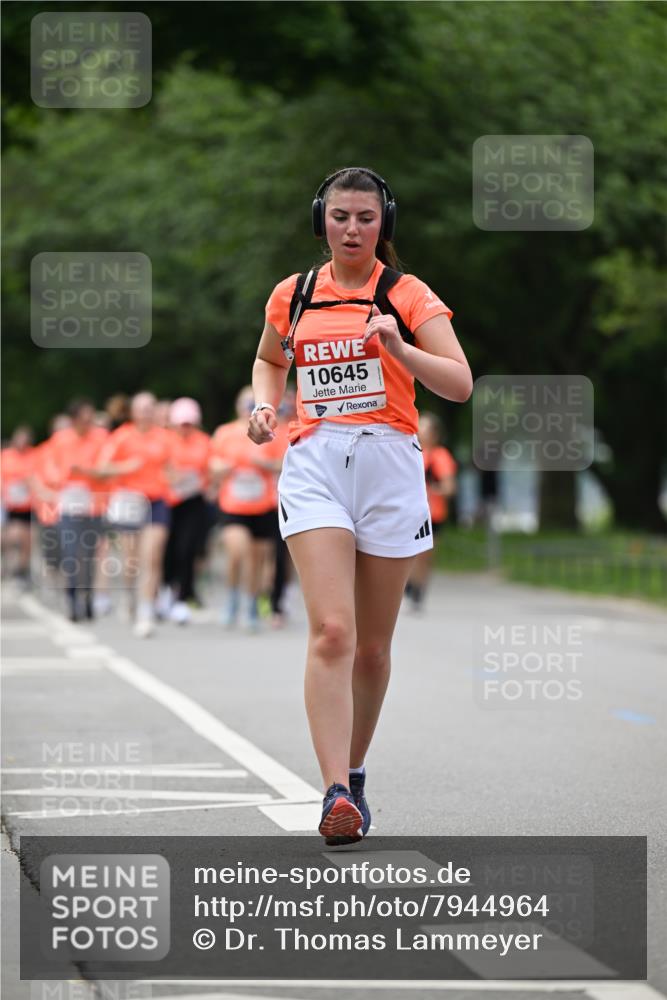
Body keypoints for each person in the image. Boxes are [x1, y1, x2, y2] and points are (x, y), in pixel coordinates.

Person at [248, 166, 473, 844]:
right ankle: (334, 794)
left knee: (372, 650)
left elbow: (459, 384)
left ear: (384, 224)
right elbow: (270, 360)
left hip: (390, 465)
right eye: (340, 216)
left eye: (365, 218)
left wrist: (400, 347)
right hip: (316, 462)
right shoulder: (294, 293)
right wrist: (265, 405)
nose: (351, 229)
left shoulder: (406, 293)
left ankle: (354, 768)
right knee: (333, 633)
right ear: (321, 219)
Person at [96, 391, 173, 637]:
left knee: (152, 556)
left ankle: (146, 611)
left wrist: (175, 479)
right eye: (142, 408)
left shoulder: (164, 437)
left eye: (150, 408)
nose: (146, 413)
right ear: (132, 412)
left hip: (156, 501)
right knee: (131, 560)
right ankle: (129, 596)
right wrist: (125, 467)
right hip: (129, 501)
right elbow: (102, 468)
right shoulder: (121, 437)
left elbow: (172, 469)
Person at [210, 386, 285, 631]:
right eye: (246, 404)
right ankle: (232, 599)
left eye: (254, 405)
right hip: (233, 505)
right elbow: (212, 464)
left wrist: (264, 464)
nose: (249, 409)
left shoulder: (272, 433)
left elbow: (284, 463)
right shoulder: (225, 433)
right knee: (237, 552)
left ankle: (251, 605)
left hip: (263, 506)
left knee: (256, 561)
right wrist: (223, 468)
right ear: (237, 406)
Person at [47, 398, 109, 620]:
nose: (88, 422)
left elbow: (106, 467)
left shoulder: (101, 437)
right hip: (69, 502)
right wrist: (62, 476)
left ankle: (88, 595)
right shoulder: (61, 439)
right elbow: (50, 467)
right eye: (84, 418)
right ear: (74, 419)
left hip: (94, 504)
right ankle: (72, 597)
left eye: (90, 417)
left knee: (89, 555)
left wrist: (85, 471)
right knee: (71, 552)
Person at [162, 397, 211, 625]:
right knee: (167, 548)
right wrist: (172, 476)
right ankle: (165, 589)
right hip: (168, 502)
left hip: (193, 501)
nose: (185, 428)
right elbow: (159, 467)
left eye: (189, 423)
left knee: (188, 549)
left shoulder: (203, 441)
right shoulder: (165, 440)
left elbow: (210, 468)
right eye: (182, 424)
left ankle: (182, 595)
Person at [405, 411, 457, 611]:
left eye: (425, 427)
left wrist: (433, 489)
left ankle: (417, 591)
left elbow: (449, 487)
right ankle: (409, 587)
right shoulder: (411, 450)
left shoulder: (440, 456)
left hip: (432, 514)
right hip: (409, 511)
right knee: (408, 553)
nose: (420, 430)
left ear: (435, 433)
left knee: (422, 556)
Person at [1, 426, 35, 585]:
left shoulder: (33, 455)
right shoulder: (6, 455)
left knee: (27, 538)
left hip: (27, 505)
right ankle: (8, 566)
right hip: (10, 503)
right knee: (10, 536)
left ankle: (23, 569)